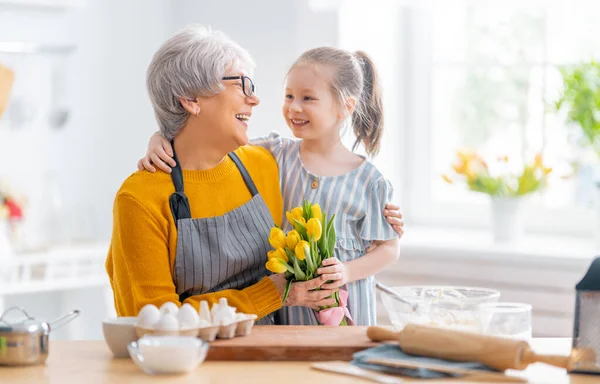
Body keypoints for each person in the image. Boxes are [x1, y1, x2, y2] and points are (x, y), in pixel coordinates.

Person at [139, 45, 403, 326]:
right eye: (289, 96)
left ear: (345, 106)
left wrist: (347, 272)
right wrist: (161, 137)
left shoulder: (369, 181)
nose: (294, 107)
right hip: (290, 319)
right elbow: (212, 140)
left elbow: (388, 249)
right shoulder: (276, 153)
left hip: (350, 323)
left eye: (308, 98)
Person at [106, 26, 348, 323]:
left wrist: (383, 211)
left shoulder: (262, 164)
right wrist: (269, 294)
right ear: (190, 99)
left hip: (271, 356)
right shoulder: (140, 199)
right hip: (193, 365)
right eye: (241, 85)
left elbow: (332, 166)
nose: (254, 99)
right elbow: (153, 319)